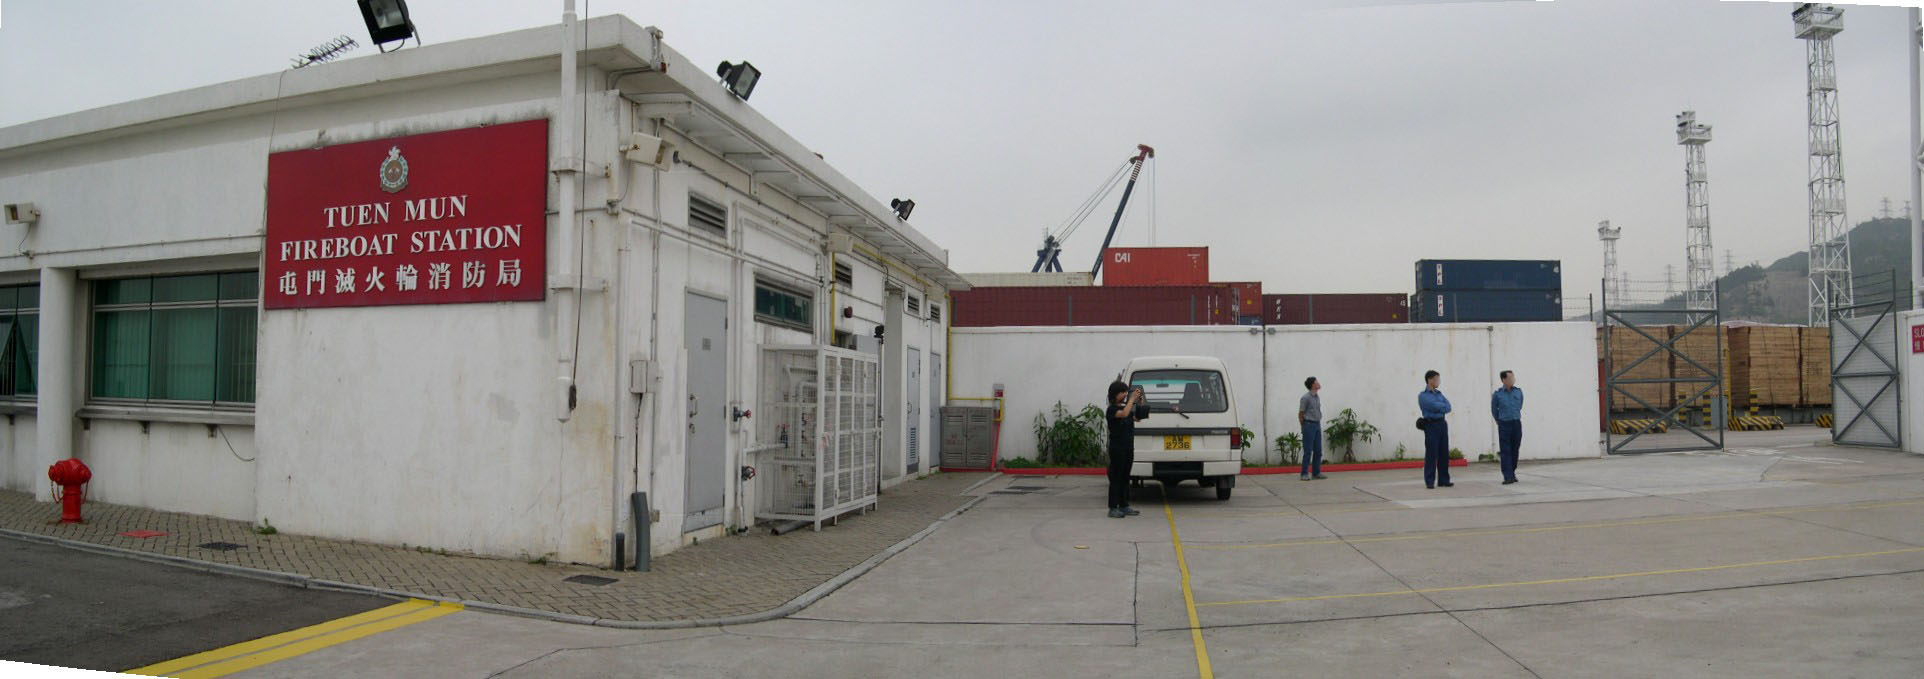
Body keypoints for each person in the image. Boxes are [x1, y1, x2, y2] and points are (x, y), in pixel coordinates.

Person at [1105, 381, 1148, 518]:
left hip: (1128, 446)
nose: (1124, 395)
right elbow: (1123, 414)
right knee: (1116, 477)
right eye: (1122, 392)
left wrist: (1140, 402)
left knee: (1125, 477)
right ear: (1115, 394)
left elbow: (1138, 417)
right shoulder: (1111, 410)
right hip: (1117, 448)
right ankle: (1113, 507)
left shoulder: (1126, 407)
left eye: (1125, 392)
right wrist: (1131, 400)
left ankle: (1124, 505)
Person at [1419, 370, 1453, 489]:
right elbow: (1431, 406)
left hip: (1442, 424)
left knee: (1444, 453)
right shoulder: (1423, 396)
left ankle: (1444, 479)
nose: (1438, 382)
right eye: (1436, 379)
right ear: (1430, 380)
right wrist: (1440, 406)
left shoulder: (1439, 394)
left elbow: (1448, 407)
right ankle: (1429, 480)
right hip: (1431, 425)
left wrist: (1440, 406)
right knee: (1431, 453)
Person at [1491, 370, 1524, 485]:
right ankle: (1507, 476)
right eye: (1510, 378)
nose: (1512, 380)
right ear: (1504, 380)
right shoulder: (1498, 394)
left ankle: (1512, 472)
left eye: (1513, 377)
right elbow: (1494, 410)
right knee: (1505, 451)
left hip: (1516, 423)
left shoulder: (1518, 392)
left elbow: (1520, 405)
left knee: (1515, 449)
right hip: (1504, 424)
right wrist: (1499, 421)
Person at [1299, 377, 1325, 480]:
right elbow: (1301, 414)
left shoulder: (1317, 396)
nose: (1318, 383)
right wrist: (1304, 427)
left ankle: (1316, 472)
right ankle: (1304, 474)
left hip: (1317, 425)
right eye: (1316, 382)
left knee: (1318, 450)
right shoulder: (1305, 398)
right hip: (1308, 425)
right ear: (1312, 385)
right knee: (1308, 451)